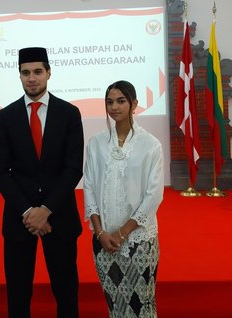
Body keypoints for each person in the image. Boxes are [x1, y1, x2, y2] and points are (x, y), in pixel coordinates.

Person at [0, 47, 84, 318]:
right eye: (25, 73)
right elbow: (0, 172)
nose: (32, 78)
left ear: (49, 73)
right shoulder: (5, 117)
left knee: (66, 292)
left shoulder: (69, 113)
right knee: (18, 296)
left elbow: (73, 168)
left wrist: (46, 209)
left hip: (60, 217)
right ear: (19, 76)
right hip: (20, 220)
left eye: (37, 72)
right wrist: (29, 212)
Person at [83, 80, 164, 317]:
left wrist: (122, 233)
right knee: (115, 304)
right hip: (103, 239)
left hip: (139, 240)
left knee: (142, 304)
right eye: (110, 102)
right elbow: (88, 187)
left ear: (134, 104)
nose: (114, 107)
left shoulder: (151, 145)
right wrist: (100, 233)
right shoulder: (96, 144)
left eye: (121, 101)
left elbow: (153, 195)